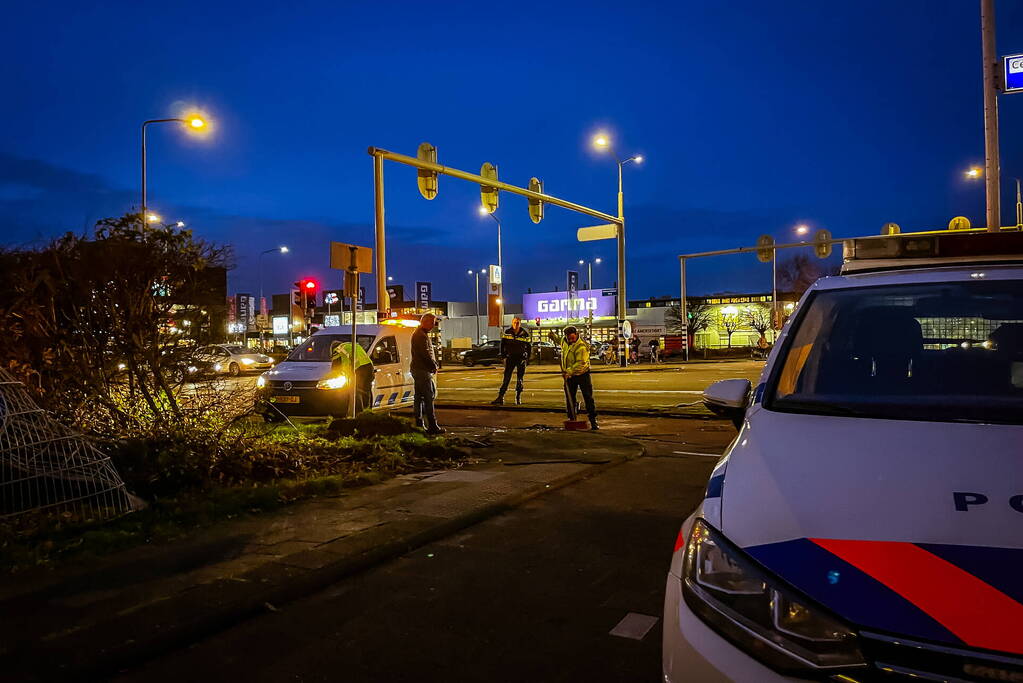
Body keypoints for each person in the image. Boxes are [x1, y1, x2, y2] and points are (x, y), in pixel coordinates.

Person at [411, 313, 444, 435]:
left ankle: (419, 424)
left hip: (418, 369)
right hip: (422, 371)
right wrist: (433, 366)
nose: (433, 325)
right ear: (425, 322)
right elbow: (425, 354)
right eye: (432, 322)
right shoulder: (421, 336)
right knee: (428, 398)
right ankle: (432, 425)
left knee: (418, 398)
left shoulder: (419, 334)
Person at [560, 325, 598, 430]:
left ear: (576, 335)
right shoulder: (564, 341)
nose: (571, 340)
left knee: (588, 397)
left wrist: (568, 372)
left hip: (582, 374)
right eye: (569, 338)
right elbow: (561, 343)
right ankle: (572, 418)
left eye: (572, 338)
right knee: (569, 397)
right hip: (570, 375)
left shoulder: (581, 346)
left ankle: (593, 420)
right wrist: (552, 336)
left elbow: (581, 363)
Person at [491, 316, 531, 405]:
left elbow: (529, 347)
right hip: (510, 358)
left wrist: (527, 359)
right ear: (512, 323)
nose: (516, 324)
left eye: (518, 323)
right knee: (506, 379)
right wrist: (503, 356)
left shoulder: (524, 333)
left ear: (520, 323)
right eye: (515, 322)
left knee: (520, 379)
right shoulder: (507, 332)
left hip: (521, 359)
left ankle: (518, 398)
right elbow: (502, 345)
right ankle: (500, 397)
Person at [330, 340, 374, 412]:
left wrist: (344, 374)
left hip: (359, 369)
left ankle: (358, 412)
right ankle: (368, 411)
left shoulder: (338, 349)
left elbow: (340, 363)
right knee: (367, 390)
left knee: (356, 390)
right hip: (369, 366)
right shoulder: (353, 345)